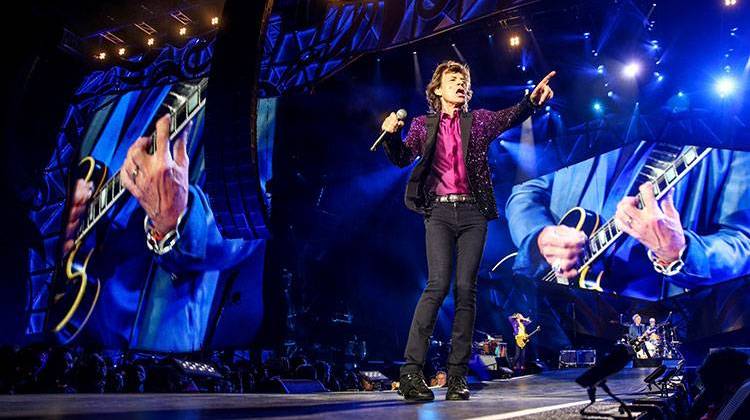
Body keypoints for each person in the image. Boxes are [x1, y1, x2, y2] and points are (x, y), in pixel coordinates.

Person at [380, 60, 554, 401]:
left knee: (465, 289)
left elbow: (511, 115)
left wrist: (532, 101)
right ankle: (412, 372)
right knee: (437, 285)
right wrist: (391, 134)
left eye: (463, 79)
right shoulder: (421, 125)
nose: (459, 83)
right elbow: (401, 158)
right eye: (452, 78)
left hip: (473, 211)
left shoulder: (479, 121)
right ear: (438, 90)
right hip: (439, 212)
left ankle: (457, 376)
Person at [62, 113, 260, 350]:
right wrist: (60, 213)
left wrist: (180, 216)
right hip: (64, 321)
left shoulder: (256, 94)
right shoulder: (104, 79)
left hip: (145, 350)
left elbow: (248, 228)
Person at [505, 139, 750, 299]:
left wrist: (679, 252)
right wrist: (540, 236)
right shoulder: (581, 134)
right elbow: (526, 191)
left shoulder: (726, 143)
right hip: (556, 303)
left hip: (643, 309)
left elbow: (742, 242)